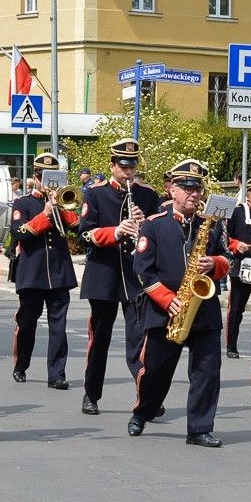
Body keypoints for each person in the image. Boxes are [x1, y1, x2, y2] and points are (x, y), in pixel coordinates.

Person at [128, 159, 231, 447]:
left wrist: (215, 263)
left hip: (203, 310)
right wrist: (167, 300)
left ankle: (199, 429)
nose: (193, 194)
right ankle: (143, 411)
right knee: (156, 373)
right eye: (187, 188)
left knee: (207, 372)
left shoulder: (211, 224)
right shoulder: (154, 225)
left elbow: (229, 258)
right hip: (166, 311)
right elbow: (142, 270)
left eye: (197, 189)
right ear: (172, 190)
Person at [78, 138, 162, 415]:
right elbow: (84, 234)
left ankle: (146, 398)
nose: (129, 172)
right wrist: (115, 231)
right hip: (104, 274)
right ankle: (91, 394)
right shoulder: (96, 194)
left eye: (132, 167)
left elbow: (159, 232)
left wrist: (144, 224)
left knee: (139, 341)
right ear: (112, 165)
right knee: (100, 338)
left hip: (135, 277)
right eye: (123, 167)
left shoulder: (147, 195)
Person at [10, 152, 80, 389]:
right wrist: (45, 214)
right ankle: (21, 365)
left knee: (58, 326)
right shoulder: (23, 203)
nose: (47, 182)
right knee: (27, 323)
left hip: (59, 273)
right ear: (35, 177)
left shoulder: (62, 203)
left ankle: (57, 374)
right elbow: (19, 233)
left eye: (53, 177)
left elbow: (79, 227)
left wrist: (61, 207)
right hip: (32, 273)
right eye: (43, 176)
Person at [224, 175, 251, 359]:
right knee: (236, 308)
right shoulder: (237, 212)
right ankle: (231, 345)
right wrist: (236, 244)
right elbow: (224, 237)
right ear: (248, 194)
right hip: (242, 264)